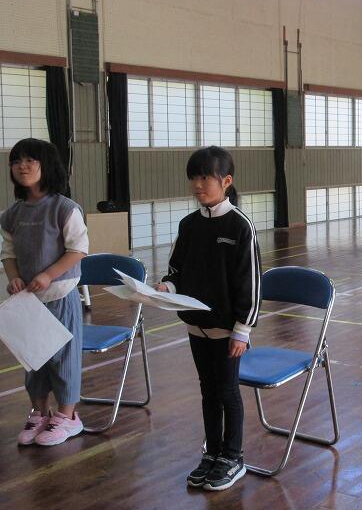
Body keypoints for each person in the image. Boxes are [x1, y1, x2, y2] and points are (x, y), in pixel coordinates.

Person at [155, 146, 261, 491]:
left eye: (205, 177)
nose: (197, 185)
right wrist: (167, 286)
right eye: (193, 178)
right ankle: (212, 452)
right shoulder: (188, 225)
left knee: (228, 391)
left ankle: (233, 456)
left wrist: (242, 330)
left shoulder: (240, 226)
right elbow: (177, 270)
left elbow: (250, 283)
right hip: (195, 325)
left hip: (227, 330)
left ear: (226, 181)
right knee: (207, 390)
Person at [0, 138, 88, 446]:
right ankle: (39, 413)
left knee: (64, 359)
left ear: (46, 165)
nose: (22, 166)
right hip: (29, 301)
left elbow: (78, 250)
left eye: (30, 160)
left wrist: (49, 275)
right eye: (16, 161)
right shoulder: (12, 214)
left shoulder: (64, 208)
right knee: (33, 360)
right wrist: (14, 278)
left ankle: (68, 417)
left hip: (60, 297)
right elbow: (8, 254)